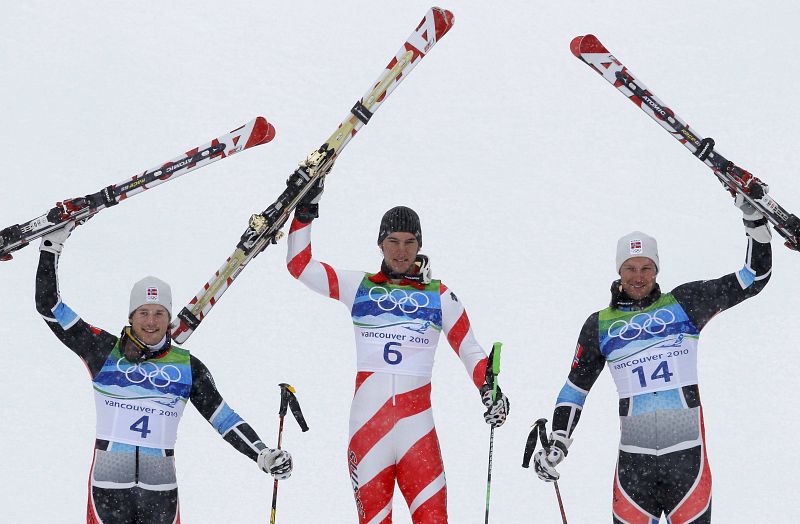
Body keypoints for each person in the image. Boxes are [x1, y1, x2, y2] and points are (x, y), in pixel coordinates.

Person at [532, 192, 773, 523]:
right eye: (630, 268)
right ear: (619, 270)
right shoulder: (599, 325)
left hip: (687, 462)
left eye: (646, 267)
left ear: (656, 269)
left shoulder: (685, 302)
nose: (639, 276)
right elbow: (575, 388)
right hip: (634, 468)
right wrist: (558, 441)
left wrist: (755, 224)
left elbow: (753, 278)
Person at [35, 222, 293, 524]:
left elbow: (224, 419)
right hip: (107, 489)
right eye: (143, 312)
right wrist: (50, 248)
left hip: (160, 492)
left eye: (159, 313)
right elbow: (49, 307)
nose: (151, 321)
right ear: (131, 317)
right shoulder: (103, 350)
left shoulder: (187, 367)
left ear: (168, 318)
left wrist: (261, 454)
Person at [285, 180, 509, 524]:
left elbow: (471, 351)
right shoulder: (359, 287)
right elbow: (300, 266)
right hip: (368, 429)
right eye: (393, 242)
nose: (401, 251)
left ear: (419, 245)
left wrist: (490, 390)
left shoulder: (440, 295)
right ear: (380, 245)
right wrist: (305, 211)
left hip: (417, 431)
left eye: (409, 242)